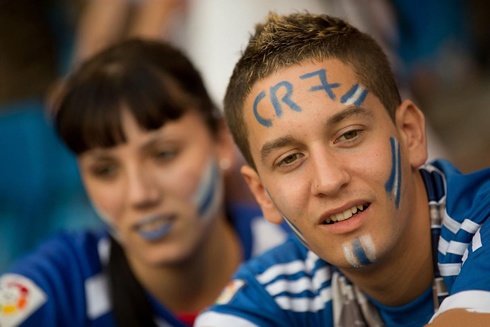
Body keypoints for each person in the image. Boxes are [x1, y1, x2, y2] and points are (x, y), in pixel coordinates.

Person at [195, 13, 490, 326]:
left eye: (349, 135)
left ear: (410, 133)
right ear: (262, 195)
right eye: (290, 159)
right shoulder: (274, 290)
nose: (329, 180)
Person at [0, 39, 290, 327]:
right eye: (105, 170)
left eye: (164, 154)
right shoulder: (63, 285)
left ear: (222, 142)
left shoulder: (303, 254)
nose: (139, 194)